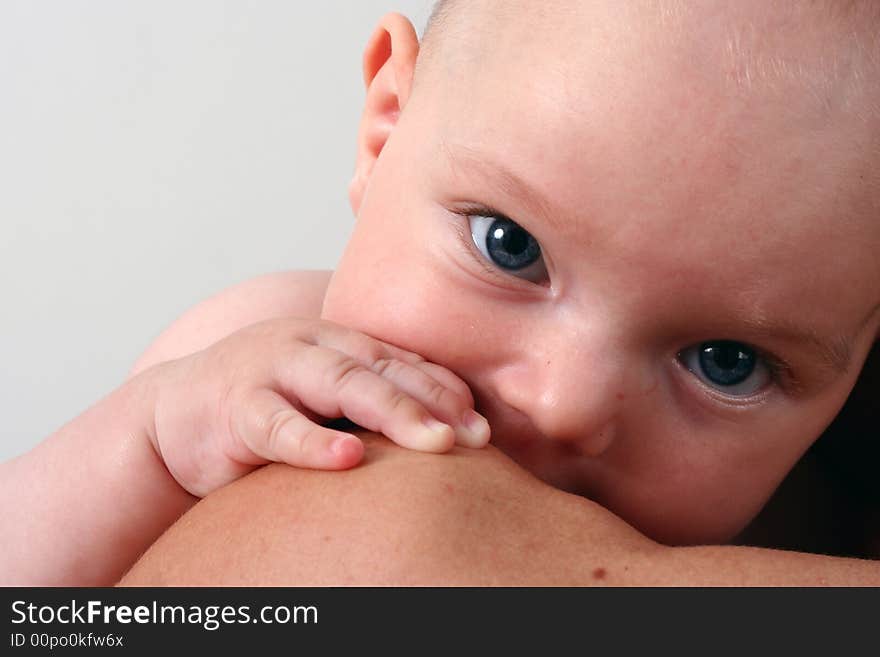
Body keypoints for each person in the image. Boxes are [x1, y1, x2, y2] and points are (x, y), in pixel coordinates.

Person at [2, 0, 878, 586]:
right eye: (510, 246)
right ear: (385, 134)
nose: (564, 401)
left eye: (727, 363)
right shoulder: (249, 369)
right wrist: (149, 441)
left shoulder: (809, 524)